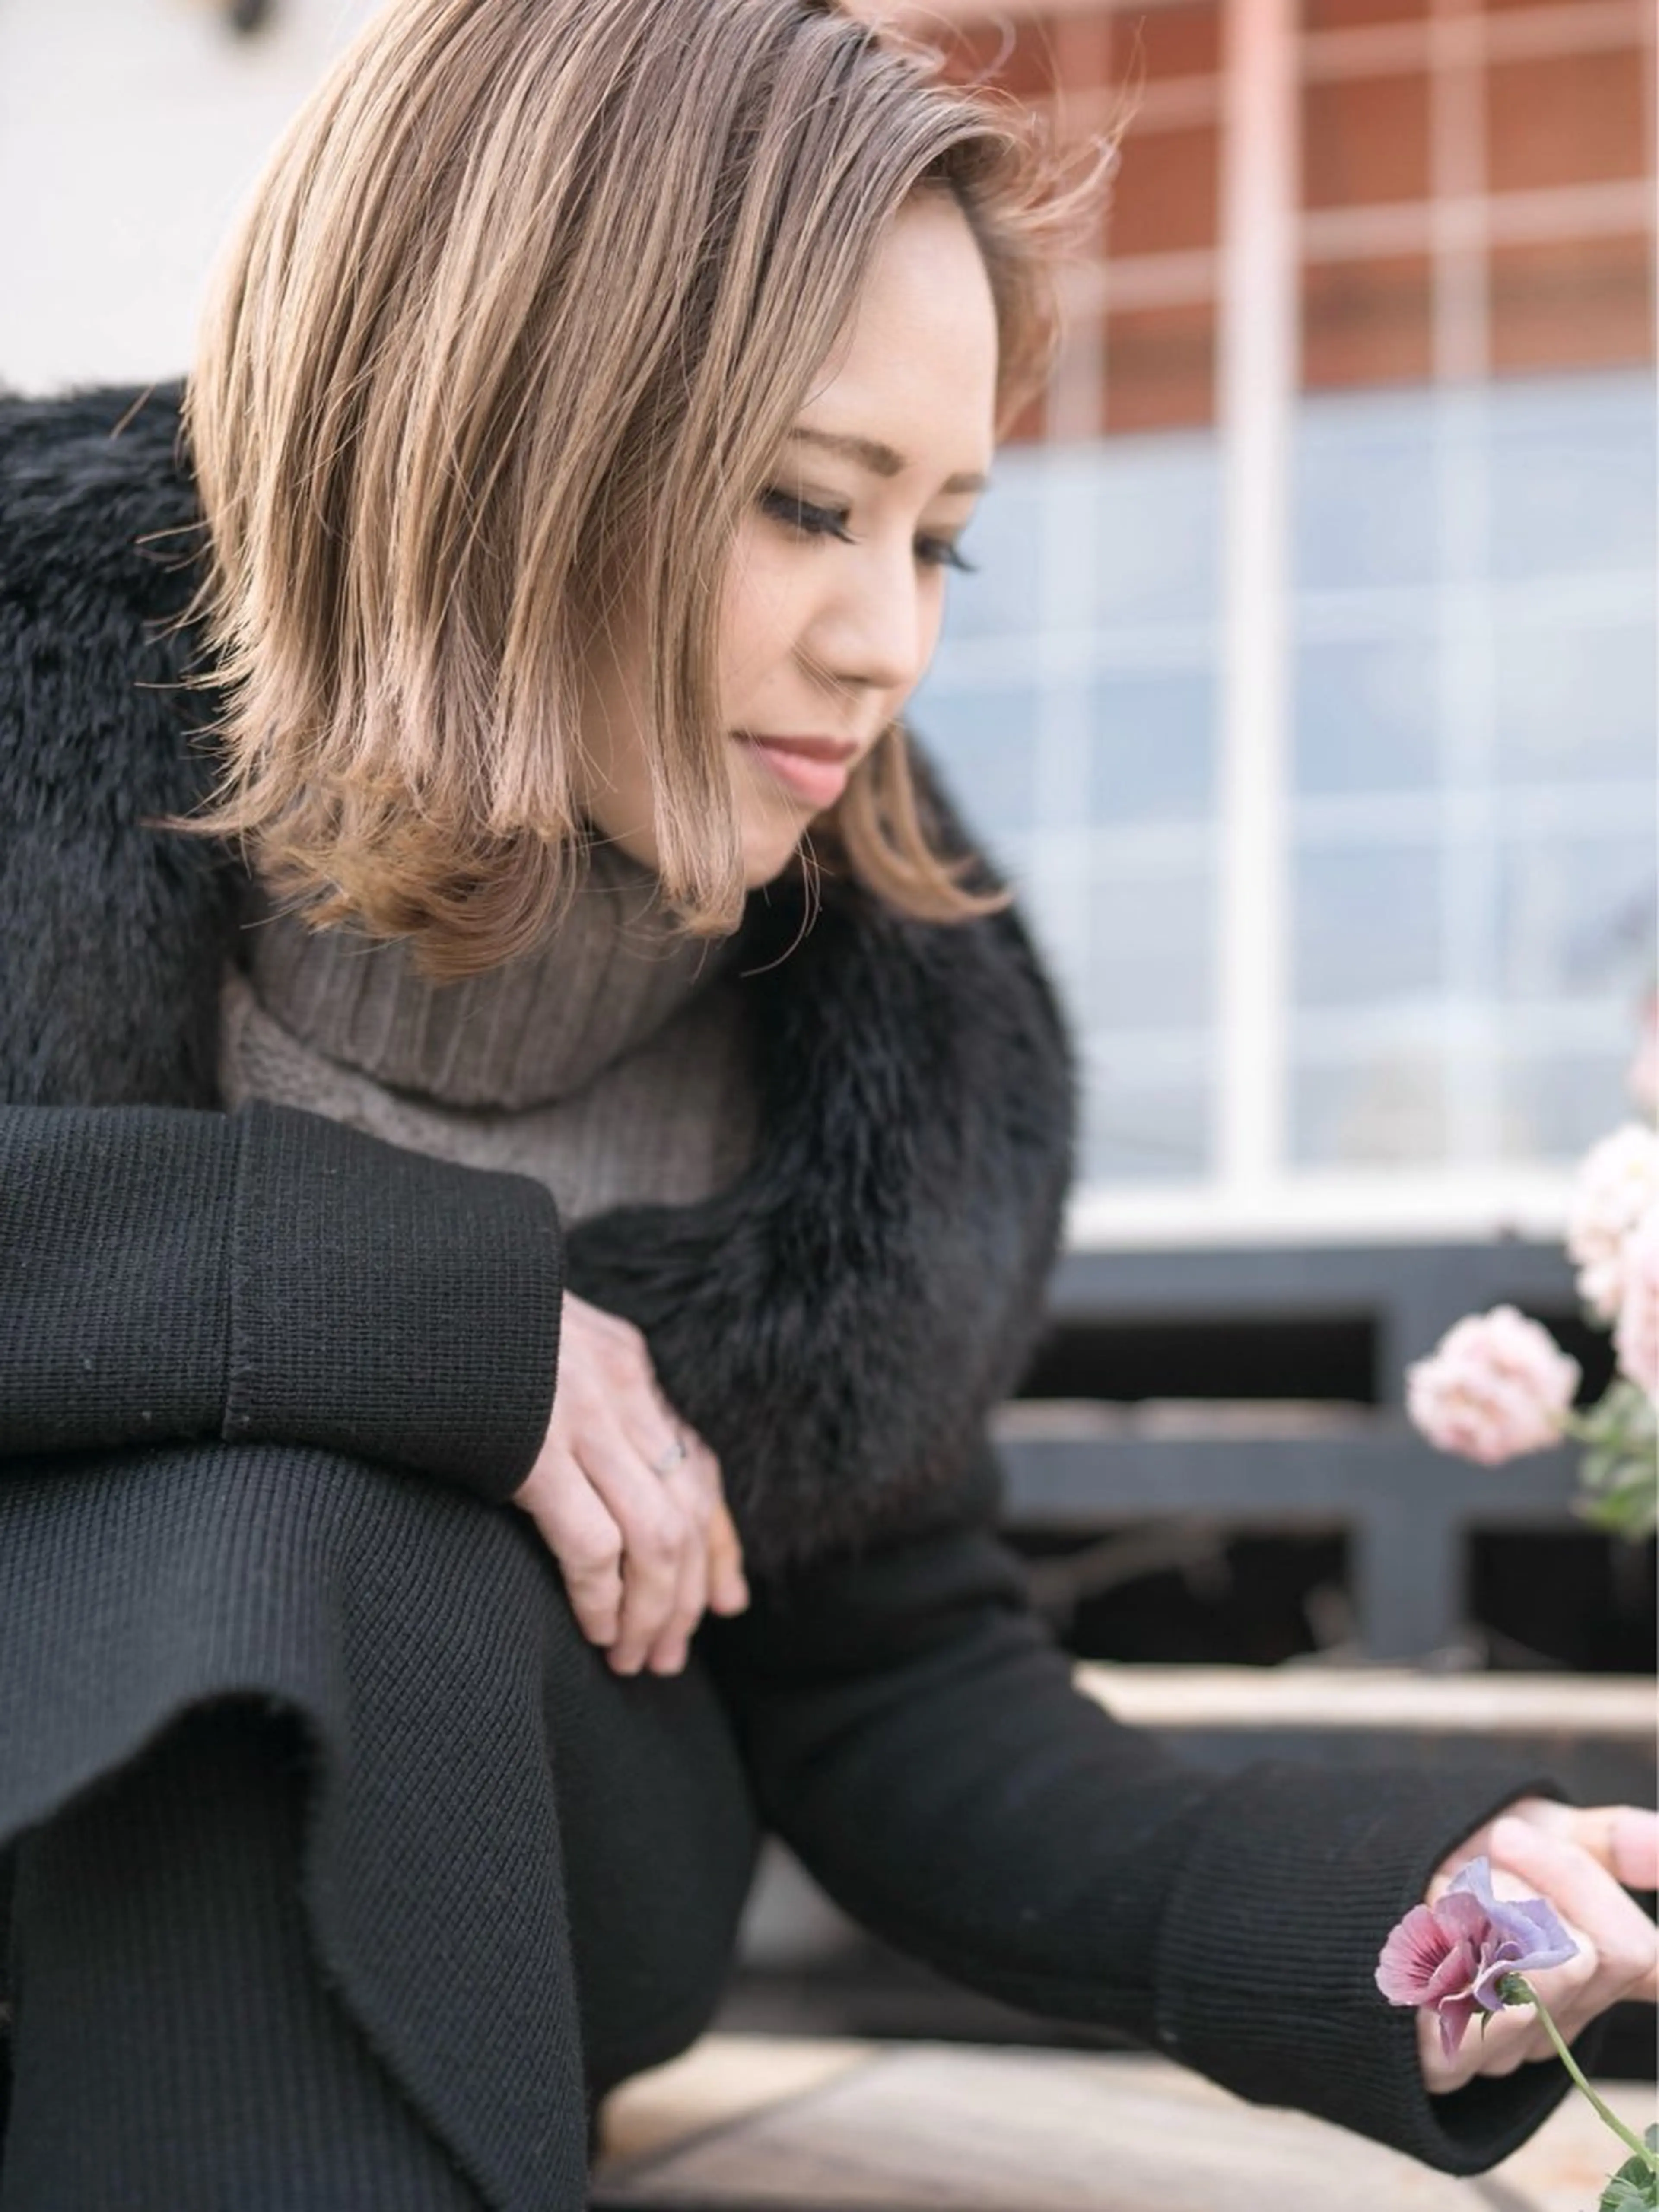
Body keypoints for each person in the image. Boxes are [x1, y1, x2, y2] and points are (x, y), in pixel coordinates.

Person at [0, 2, 1652, 2205]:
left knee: (290, 1515)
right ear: (490, 423)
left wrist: (1393, 1912)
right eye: (806, 505)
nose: (892, 644)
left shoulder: (880, 1011)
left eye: (942, 537)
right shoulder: (38, 678)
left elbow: (900, 1698)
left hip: (526, 1858)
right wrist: (408, 1308)